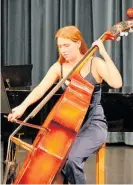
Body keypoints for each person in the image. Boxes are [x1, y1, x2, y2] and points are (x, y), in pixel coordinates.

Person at [7, 25, 122, 184]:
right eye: (60, 46)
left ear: (78, 43)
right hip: (69, 127)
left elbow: (117, 83)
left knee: (72, 160)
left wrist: (103, 52)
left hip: (93, 124)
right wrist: (22, 107)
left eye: (66, 45)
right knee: (54, 161)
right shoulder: (59, 67)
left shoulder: (94, 63)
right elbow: (40, 90)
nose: (63, 50)